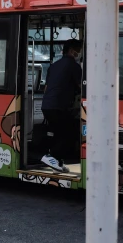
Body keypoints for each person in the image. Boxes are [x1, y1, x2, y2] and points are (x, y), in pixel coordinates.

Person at [40, 38, 83, 172]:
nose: (80, 54)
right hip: (58, 106)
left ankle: (57, 162)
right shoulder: (73, 66)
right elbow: (82, 87)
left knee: (59, 133)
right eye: (79, 51)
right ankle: (51, 156)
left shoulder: (54, 65)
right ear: (72, 51)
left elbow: (46, 88)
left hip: (47, 105)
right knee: (70, 133)